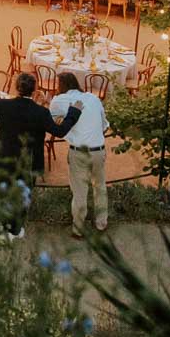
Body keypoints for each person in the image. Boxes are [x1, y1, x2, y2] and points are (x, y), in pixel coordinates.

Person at [0, 73, 79, 238]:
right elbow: (60, 132)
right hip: (28, 162)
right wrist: (73, 113)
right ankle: (15, 229)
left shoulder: (4, 105)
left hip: (4, 158)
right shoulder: (41, 112)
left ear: (17, 87)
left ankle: (1, 225)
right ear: (34, 90)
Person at [50, 71, 110, 238]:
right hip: (98, 149)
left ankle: (78, 229)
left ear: (60, 86)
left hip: (79, 151)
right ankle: (101, 223)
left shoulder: (58, 100)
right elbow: (105, 125)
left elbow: (53, 122)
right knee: (100, 187)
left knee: (79, 190)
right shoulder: (93, 98)